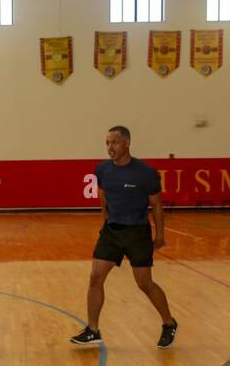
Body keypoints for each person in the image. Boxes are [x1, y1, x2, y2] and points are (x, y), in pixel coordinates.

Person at [69, 126, 177, 349]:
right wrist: (106, 218)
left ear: (127, 142)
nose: (110, 147)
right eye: (107, 143)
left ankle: (169, 323)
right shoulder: (102, 169)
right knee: (95, 277)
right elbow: (104, 196)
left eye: (114, 143)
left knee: (144, 283)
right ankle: (92, 330)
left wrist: (160, 236)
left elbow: (157, 206)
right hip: (111, 232)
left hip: (137, 233)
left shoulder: (145, 172)